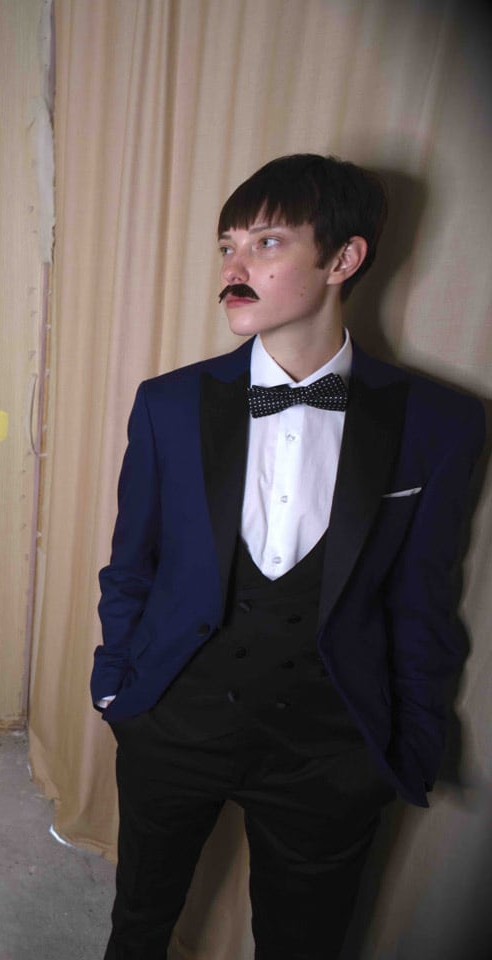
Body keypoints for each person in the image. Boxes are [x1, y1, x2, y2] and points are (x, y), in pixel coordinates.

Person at [92, 154, 485, 959]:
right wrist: (116, 688)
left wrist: (401, 749)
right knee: (137, 925)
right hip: (174, 724)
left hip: (331, 752)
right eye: (227, 246)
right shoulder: (168, 404)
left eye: (266, 243)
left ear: (343, 259)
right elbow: (133, 563)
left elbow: (423, 601)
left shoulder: (440, 422)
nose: (233, 268)